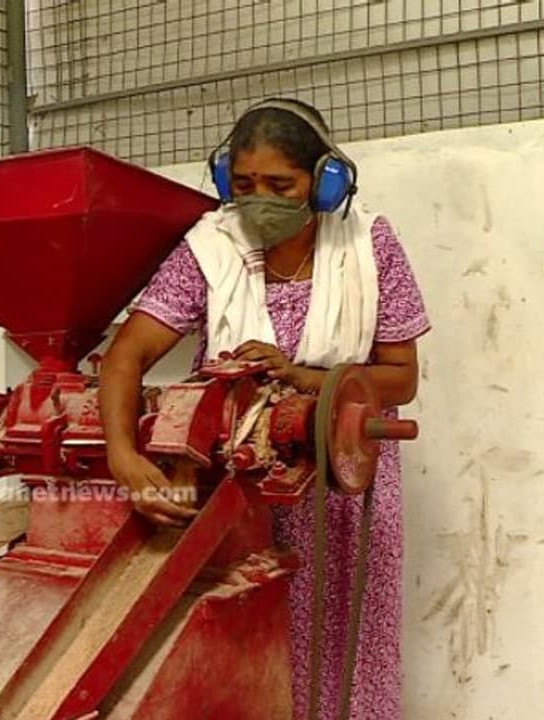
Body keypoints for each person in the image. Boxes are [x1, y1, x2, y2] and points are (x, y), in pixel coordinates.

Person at [97, 98, 430, 719]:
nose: (261, 200)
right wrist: (122, 454)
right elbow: (125, 357)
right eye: (245, 184)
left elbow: (401, 378)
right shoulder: (211, 248)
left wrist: (304, 379)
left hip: (343, 492)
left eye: (281, 185)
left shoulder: (368, 244)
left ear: (325, 182)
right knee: (243, 648)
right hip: (236, 493)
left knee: (348, 650)